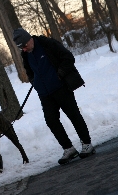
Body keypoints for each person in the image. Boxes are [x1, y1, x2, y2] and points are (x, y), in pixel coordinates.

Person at [13, 27, 95, 165]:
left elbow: (68, 58)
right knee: (51, 121)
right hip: (45, 94)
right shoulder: (26, 54)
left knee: (73, 115)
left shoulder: (47, 44)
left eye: (25, 46)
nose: (24, 49)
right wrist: (35, 82)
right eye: (22, 48)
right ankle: (68, 148)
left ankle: (87, 144)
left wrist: (60, 74)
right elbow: (29, 71)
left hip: (61, 88)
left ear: (29, 39)